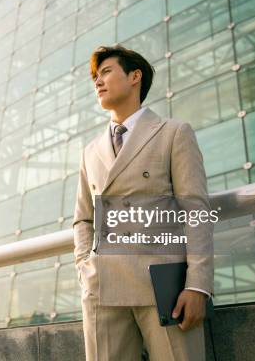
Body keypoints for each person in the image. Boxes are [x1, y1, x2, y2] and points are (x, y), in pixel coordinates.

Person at [73, 45, 213, 360]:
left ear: (135, 76)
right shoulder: (90, 151)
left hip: (165, 287)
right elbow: (83, 219)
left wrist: (198, 284)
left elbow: (196, 210)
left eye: (106, 72)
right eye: (96, 76)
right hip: (102, 288)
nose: (98, 81)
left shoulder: (173, 133)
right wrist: (86, 266)